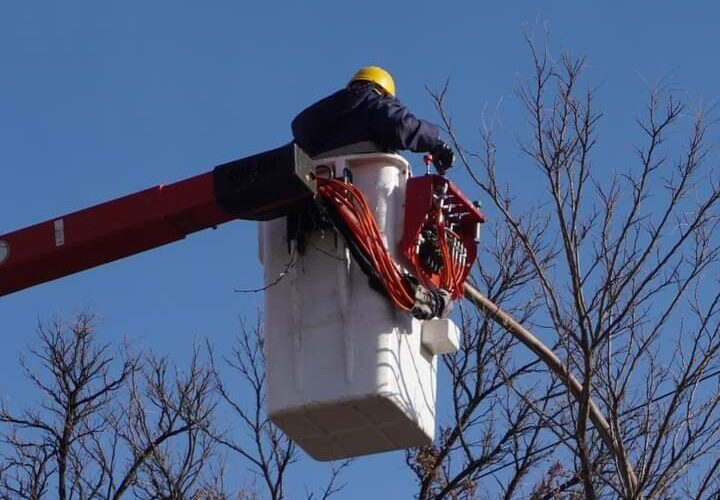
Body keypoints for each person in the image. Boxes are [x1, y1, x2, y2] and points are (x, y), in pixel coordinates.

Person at [291, 66, 454, 174]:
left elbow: (288, 161)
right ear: (382, 91)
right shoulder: (374, 101)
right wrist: (435, 143)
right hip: (368, 191)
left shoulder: (314, 120)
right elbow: (400, 126)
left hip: (313, 202)